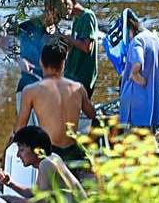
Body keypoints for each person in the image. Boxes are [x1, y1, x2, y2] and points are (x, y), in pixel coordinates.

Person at [16, 41, 98, 170]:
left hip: (50, 154)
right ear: (63, 64)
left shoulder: (31, 90)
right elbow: (92, 114)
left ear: (41, 63)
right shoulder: (78, 88)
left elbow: (20, 128)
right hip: (73, 152)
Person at [0, 124, 83, 203]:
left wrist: (12, 199)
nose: (18, 155)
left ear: (37, 150)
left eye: (22, 150)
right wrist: (9, 183)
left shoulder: (46, 164)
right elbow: (35, 194)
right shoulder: (50, 159)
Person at [102, 10, 159, 129]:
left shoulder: (137, 41)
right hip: (153, 100)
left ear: (129, 29)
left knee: (135, 138)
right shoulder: (156, 40)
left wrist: (134, 74)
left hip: (137, 101)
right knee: (149, 138)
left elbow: (138, 61)